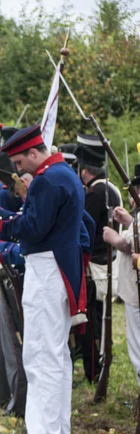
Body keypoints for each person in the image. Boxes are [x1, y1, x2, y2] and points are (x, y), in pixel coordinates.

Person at [0, 124, 86, 434]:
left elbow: (32, 228)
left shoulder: (47, 181)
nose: (18, 170)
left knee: (41, 354)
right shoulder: (62, 175)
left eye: (20, 163)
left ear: (33, 153)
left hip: (47, 269)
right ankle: (56, 430)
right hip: (56, 266)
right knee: (55, 353)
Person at [74, 134, 122, 383]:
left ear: (84, 170)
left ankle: (94, 370)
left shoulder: (95, 193)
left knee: (92, 320)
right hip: (106, 261)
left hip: (95, 265)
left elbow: (85, 231)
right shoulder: (110, 188)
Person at [104, 164, 140, 386]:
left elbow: (133, 243)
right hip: (134, 290)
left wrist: (115, 239)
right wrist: (130, 222)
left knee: (137, 347)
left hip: (137, 293)